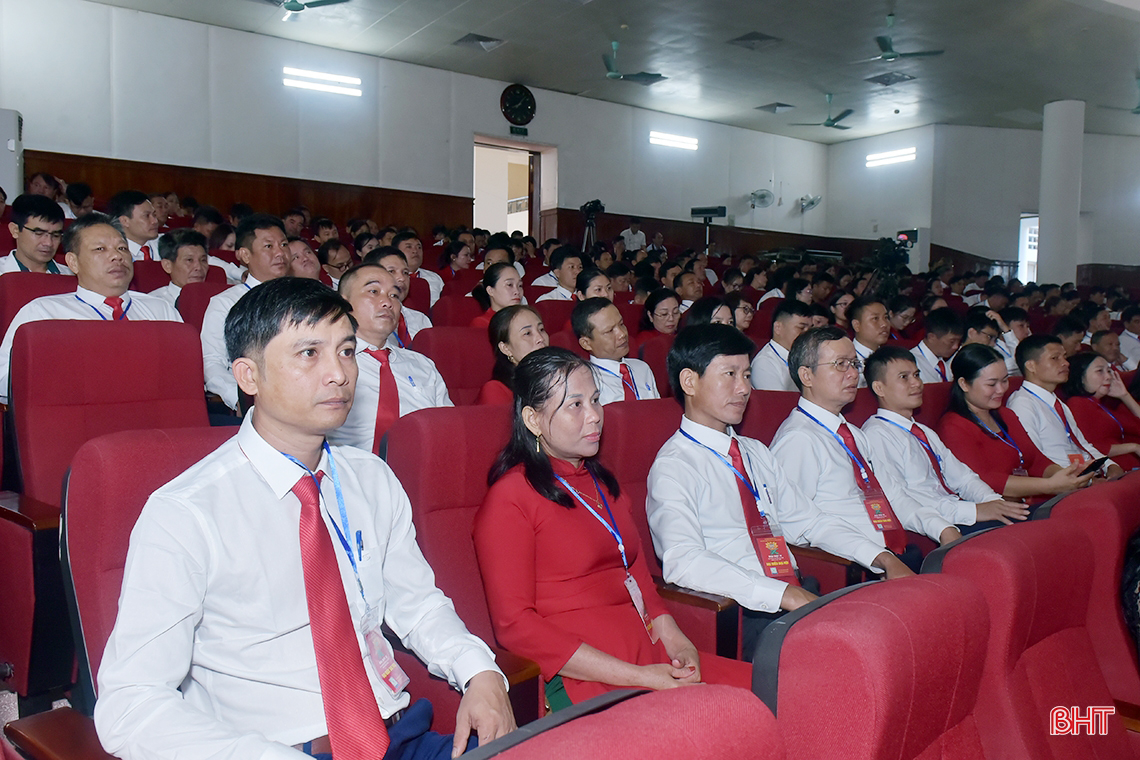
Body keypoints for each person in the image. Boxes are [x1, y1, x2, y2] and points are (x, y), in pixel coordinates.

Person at [94, 277, 514, 760]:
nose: (339, 373)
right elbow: (130, 705)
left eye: (348, 351)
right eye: (310, 353)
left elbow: (418, 605)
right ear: (249, 376)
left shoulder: (370, 478)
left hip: (397, 737)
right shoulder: (186, 513)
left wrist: (480, 671)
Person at [473, 347, 751, 709]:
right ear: (533, 419)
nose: (594, 417)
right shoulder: (511, 497)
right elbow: (515, 626)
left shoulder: (603, 484)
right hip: (586, 676)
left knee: (772, 692)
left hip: (649, 656)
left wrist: (681, 647)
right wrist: (641, 678)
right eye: (575, 405)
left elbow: (637, 577)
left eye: (595, 400)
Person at [648, 325, 908, 659]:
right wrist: (781, 594)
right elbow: (683, 561)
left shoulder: (755, 452)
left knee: (889, 635)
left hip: (795, 590)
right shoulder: (674, 466)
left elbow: (810, 522)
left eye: (747, 375)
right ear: (689, 381)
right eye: (730, 374)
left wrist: (882, 557)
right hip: (740, 613)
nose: (743, 388)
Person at [771, 327, 960, 573]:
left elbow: (892, 494)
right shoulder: (798, 440)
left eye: (854, 363)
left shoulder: (853, 434)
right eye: (840, 364)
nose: (852, 374)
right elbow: (795, 524)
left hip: (894, 551)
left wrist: (943, 528)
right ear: (806, 376)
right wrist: (880, 557)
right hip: (854, 565)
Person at [0, 214, 182, 403]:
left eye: (122, 248)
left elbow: (185, 377)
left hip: (153, 419)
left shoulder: (162, 311)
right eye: (100, 249)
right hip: (75, 419)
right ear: (73, 262)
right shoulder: (43, 314)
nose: (117, 256)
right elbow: (5, 381)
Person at [860, 347, 1029, 534]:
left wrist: (993, 502)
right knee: (1024, 531)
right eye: (904, 377)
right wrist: (973, 511)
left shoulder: (923, 431)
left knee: (1034, 519)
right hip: (936, 525)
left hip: (956, 512)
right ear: (879, 388)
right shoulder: (876, 435)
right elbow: (904, 499)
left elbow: (964, 478)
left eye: (916, 375)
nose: (916, 383)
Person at [936, 344, 1093, 502]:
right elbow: (983, 480)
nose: (1001, 390)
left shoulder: (1006, 415)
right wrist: (1049, 485)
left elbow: (1036, 460)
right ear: (964, 384)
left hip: (1030, 500)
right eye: (991, 384)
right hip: (997, 509)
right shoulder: (953, 426)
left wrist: (1063, 475)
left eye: (1004, 381)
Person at [328, 265, 451, 454]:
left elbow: (448, 427)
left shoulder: (422, 365)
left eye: (394, 295)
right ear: (344, 304)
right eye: (373, 291)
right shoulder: (326, 364)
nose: (387, 302)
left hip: (421, 471)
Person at [202, 214, 291, 410]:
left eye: (284, 245)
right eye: (269, 246)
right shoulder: (225, 304)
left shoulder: (302, 299)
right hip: (252, 400)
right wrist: (241, 399)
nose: (280, 253)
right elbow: (212, 363)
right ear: (244, 255)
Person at [1007, 334, 1118, 476]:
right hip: (1061, 485)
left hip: (1084, 477)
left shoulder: (1057, 402)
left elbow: (1083, 445)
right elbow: (1035, 461)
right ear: (1031, 366)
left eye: (1064, 357)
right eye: (1055, 358)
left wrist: (1110, 465)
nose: (1066, 363)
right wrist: (1086, 481)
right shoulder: (1022, 404)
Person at [1062, 352, 1140, 470]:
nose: (1108, 376)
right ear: (1081, 377)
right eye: (1100, 371)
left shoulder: (1101, 404)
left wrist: (1124, 395)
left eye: (1109, 371)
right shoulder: (1078, 403)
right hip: (1116, 472)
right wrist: (1134, 447)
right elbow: (1089, 447)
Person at [571, 298, 658, 404]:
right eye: (610, 331)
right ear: (586, 343)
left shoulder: (642, 369)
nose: (622, 334)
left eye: (621, 324)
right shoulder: (585, 381)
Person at [477, 305, 549, 405]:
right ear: (505, 348)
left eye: (541, 329)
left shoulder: (557, 379)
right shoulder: (496, 391)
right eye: (527, 333)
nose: (540, 338)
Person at [363, 247, 433, 348]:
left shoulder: (420, 319)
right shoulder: (364, 320)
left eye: (405, 272)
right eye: (391, 271)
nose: (401, 278)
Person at [1, 194, 72, 275]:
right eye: (39, 233)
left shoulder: (71, 277)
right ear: (15, 230)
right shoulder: (2, 274)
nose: (48, 243)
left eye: (56, 235)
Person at [751, 300, 813, 392]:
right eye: (801, 328)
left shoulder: (808, 357)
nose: (807, 334)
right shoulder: (764, 363)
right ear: (778, 328)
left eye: (810, 329)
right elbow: (779, 403)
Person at [152, 229, 210, 309]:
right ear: (167, 266)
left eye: (203, 260)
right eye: (189, 260)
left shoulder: (217, 299)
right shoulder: (155, 303)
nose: (199, 267)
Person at [910, 307, 962, 383]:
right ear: (931, 337)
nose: (956, 346)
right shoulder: (912, 362)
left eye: (959, 341)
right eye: (952, 341)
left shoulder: (941, 363)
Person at [847, 296, 890, 387]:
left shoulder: (891, 357)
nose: (884, 324)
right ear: (856, 325)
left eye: (886, 318)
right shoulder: (846, 361)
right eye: (875, 318)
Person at [393, 231, 444, 307]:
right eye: (409, 247)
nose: (415, 251)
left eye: (419, 247)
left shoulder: (434, 277)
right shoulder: (390, 278)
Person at [109, 190, 161, 262]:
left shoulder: (166, 244)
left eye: (154, 215)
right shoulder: (112, 255)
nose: (155, 221)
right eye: (146, 216)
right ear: (124, 221)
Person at [470, 262, 522, 329]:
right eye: (509, 285)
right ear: (490, 291)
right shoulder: (482, 323)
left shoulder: (528, 320)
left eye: (520, 285)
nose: (517, 291)